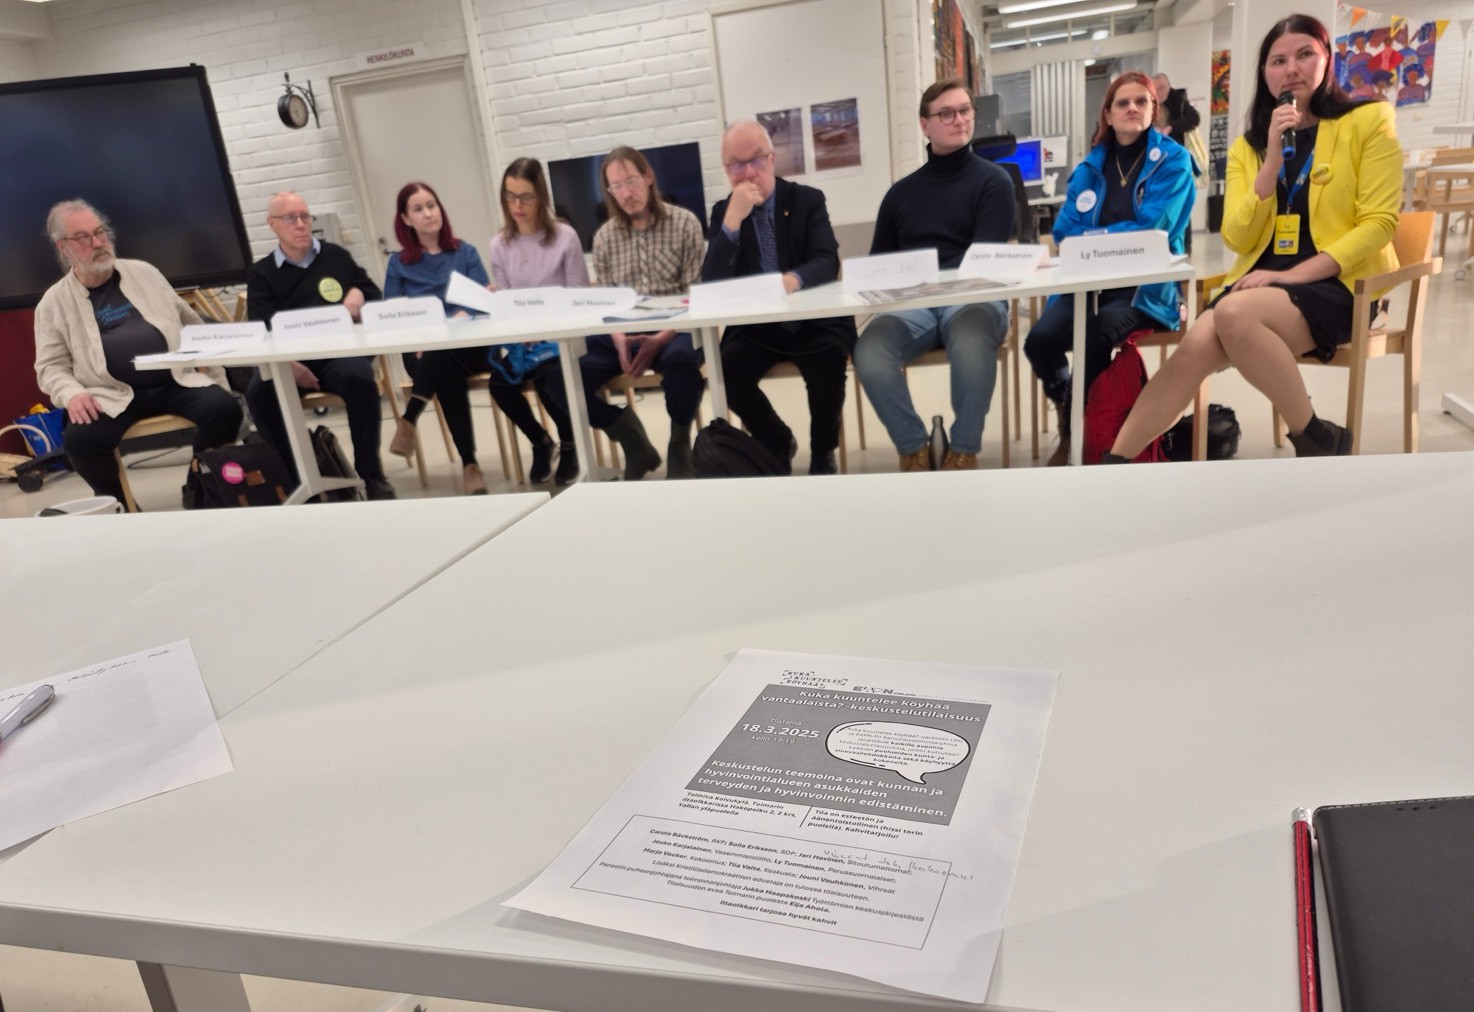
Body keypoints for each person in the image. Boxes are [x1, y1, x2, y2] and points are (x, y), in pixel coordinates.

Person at [1105, 14, 1401, 463]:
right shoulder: (1250, 147)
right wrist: (1271, 165)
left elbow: (1379, 223)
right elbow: (1238, 237)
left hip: (1342, 284)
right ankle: (1115, 464)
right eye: (1278, 61)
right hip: (1261, 281)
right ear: (1265, 74)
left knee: (1232, 312)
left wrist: (1294, 276)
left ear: (1326, 59)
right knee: (1194, 347)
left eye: (1305, 54)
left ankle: (1312, 436)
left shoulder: (1370, 119)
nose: (1291, 69)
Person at [1024, 71, 1195, 465]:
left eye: (1141, 101)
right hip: (1089, 283)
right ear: (1108, 114)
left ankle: (1078, 433)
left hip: (1145, 288)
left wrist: (1093, 237)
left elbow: (1154, 229)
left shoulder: (1174, 161)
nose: (1132, 108)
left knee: (1096, 333)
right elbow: (1064, 231)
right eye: (1123, 102)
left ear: (1154, 109)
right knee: (1039, 341)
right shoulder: (1090, 167)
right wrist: (1109, 237)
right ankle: (1070, 403)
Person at [854, 77, 1016, 471]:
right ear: (924, 124)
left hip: (975, 296)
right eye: (946, 113)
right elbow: (879, 264)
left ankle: (963, 450)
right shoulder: (900, 194)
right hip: (915, 303)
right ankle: (913, 448)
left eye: (964, 110)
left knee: (971, 343)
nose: (958, 119)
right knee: (870, 352)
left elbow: (986, 260)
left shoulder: (994, 181)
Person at [33, 199, 242, 505]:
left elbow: (193, 324)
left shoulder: (145, 273)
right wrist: (73, 394)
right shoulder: (53, 303)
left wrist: (216, 375)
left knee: (225, 409)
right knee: (81, 442)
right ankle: (120, 507)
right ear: (63, 247)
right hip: (110, 395)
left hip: (175, 382)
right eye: (83, 237)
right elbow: (50, 367)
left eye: (100, 232)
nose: (97, 243)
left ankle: (199, 488)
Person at [702, 120, 856, 475]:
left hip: (813, 321)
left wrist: (790, 281)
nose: (747, 172)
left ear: (772, 158)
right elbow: (712, 283)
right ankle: (776, 439)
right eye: (736, 164)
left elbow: (827, 259)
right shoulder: (723, 212)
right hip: (757, 327)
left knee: (828, 361)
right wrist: (732, 223)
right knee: (726, 371)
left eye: (756, 159)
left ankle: (823, 451)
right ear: (725, 168)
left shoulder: (807, 200)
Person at [542, 145, 704, 479]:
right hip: (621, 330)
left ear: (648, 177)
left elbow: (695, 297)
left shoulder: (685, 223)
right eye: (616, 186)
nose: (626, 193)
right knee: (557, 380)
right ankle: (631, 439)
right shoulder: (604, 238)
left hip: (674, 326)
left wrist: (661, 338)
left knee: (682, 365)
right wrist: (617, 338)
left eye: (630, 181)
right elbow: (605, 302)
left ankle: (679, 444)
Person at [244, 191, 395, 499]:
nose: (301, 224)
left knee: (360, 379)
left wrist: (358, 294)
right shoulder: (261, 274)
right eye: (290, 218)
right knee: (259, 394)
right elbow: (261, 328)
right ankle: (298, 477)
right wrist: (289, 365)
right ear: (272, 224)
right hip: (291, 361)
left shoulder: (335, 256)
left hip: (337, 354)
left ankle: (371, 474)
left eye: (305, 216)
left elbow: (372, 293)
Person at [382, 181, 495, 494]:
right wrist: (422, 338)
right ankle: (470, 465)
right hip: (421, 349)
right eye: (418, 209)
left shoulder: (465, 252)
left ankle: (410, 418)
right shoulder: (399, 263)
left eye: (431, 205)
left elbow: (484, 303)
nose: (428, 213)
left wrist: (455, 321)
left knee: (445, 352)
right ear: (406, 219)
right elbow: (392, 313)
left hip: (470, 344)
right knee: (447, 371)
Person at [486, 158, 585, 486]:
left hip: (561, 338)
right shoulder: (499, 244)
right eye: (510, 196)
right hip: (524, 340)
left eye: (525, 197)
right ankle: (541, 441)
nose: (517, 205)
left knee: (547, 378)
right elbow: (508, 301)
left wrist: (545, 328)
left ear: (541, 196)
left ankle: (570, 443)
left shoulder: (564, 237)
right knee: (499, 385)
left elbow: (578, 298)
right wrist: (497, 301)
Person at [1151, 73, 1201, 139]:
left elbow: (1194, 119)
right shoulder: (1147, 100)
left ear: (1169, 86)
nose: (1159, 92)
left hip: (1173, 141)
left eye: (1162, 88)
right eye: (1155, 89)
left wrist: (1171, 127)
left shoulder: (1178, 100)